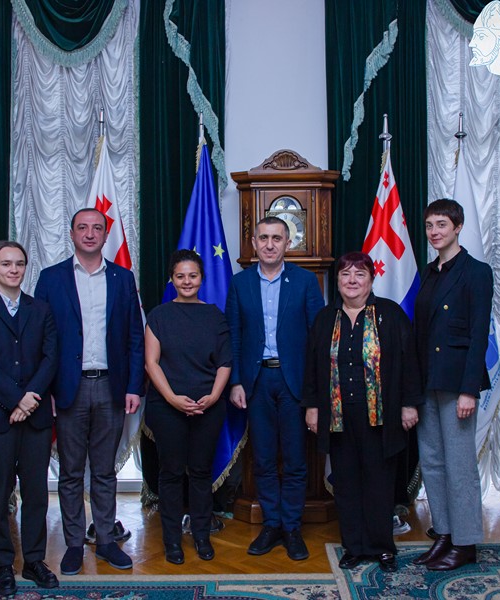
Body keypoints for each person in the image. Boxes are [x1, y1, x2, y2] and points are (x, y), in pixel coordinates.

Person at [35, 208, 144, 573]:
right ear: (72, 234)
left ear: (105, 235)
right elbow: (41, 339)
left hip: (112, 387)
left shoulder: (122, 278)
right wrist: (46, 389)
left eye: (97, 227)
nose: (90, 233)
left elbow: (134, 337)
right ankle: (73, 544)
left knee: (104, 471)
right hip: (68, 389)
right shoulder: (51, 279)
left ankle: (107, 541)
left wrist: (134, 386)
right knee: (70, 472)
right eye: (82, 227)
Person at [302, 252, 422, 572]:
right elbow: (312, 366)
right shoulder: (325, 318)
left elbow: (409, 361)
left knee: (379, 483)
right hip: (338, 416)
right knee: (347, 482)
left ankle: (382, 547)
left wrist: (409, 404)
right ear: (337, 280)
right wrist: (312, 407)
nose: (352, 280)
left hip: (380, 416)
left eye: (359, 274)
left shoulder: (390, 314)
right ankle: (354, 546)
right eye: (345, 274)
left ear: (371, 279)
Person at [225, 216, 324, 560]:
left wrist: (313, 391)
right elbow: (233, 335)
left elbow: (317, 339)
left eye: (277, 238)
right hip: (256, 382)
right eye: (263, 238)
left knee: (296, 459)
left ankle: (292, 528)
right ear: (254, 243)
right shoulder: (240, 283)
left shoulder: (305, 281)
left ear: (287, 243)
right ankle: (271, 524)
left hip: (293, 381)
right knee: (264, 459)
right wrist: (236, 381)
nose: (269, 244)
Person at [0, 241, 59, 595]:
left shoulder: (42, 309)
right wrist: (16, 399)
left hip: (35, 418)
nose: (14, 269)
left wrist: (29, 399)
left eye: (19, 263)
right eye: (6, 264)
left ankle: (34, 560)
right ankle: (3, 563)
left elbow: (50, 358)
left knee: (36, 494)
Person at [413, 199, 493, 571]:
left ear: (458, 227)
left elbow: (478, 335)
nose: (434, 232)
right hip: (428, 379)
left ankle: (465, 542)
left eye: (442, 224)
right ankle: (444, 533)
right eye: (430, 225)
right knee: (432, 462)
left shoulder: (476, 272)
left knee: (459, 465)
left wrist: (468, 390)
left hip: (457, 381)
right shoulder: (429, 272)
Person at [144, 249, 231, 565]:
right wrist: (172, 398)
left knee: (200, 472)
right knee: (170, 473)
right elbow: (151, 363)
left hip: (208, 406)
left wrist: (214, 396)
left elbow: (225, 363)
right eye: (180, 276)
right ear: (172, 279)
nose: (187, 281)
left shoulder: (215, 316)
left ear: (202, 278)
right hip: (167, 407)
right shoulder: (159, 315)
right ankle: (171, 541)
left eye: (192, 275)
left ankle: (201, 536)